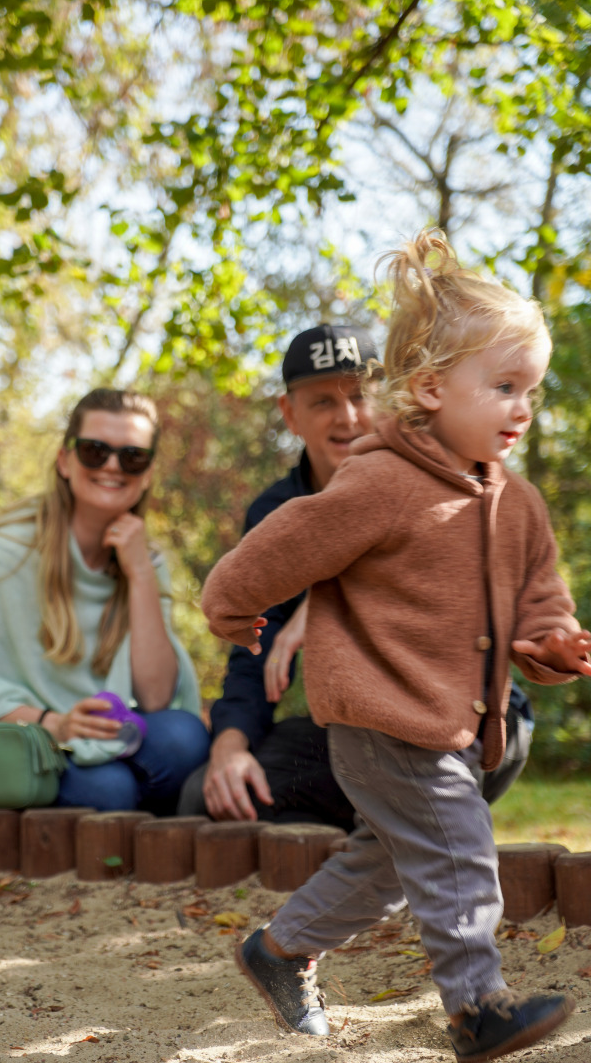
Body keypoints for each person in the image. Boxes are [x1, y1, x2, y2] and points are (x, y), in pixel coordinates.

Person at [201, 231, 589, 1061]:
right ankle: (477, 1008)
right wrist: (232, 601)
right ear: (430, 387)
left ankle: (279, 949)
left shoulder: (513, 500)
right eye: (505, 387)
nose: (524, 407)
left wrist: (551, 640)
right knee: (460, 852)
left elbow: (536, 593)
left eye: (533, 389)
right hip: (383, 718)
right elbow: (284, 543)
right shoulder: (381, 481)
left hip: (451, 720)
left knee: (384, 869)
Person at [179, 323, 534, 827]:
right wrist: (229, 749)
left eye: (361, 396)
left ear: (389, 399)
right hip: (369, 730)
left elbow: (481, 608)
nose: (346, 417)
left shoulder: (443, 471)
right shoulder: (277, 510)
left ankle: (406, 828)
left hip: (475, 720)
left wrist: (327, 601)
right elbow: (252, 649)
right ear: (290, 414)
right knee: (209, 794)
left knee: (380, 792)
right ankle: (383, 834)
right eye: (322, 402)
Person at [0, 387, 210, 814]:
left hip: (78, 738)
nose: (113, 466)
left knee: (184, 737)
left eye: (132, 456)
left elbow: (156, 698)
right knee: (110, 792)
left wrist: (140, 574)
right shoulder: (9, 551)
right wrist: (54, 722)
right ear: (65, 460)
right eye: (94, 451)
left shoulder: (146, 561)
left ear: (149, 472)